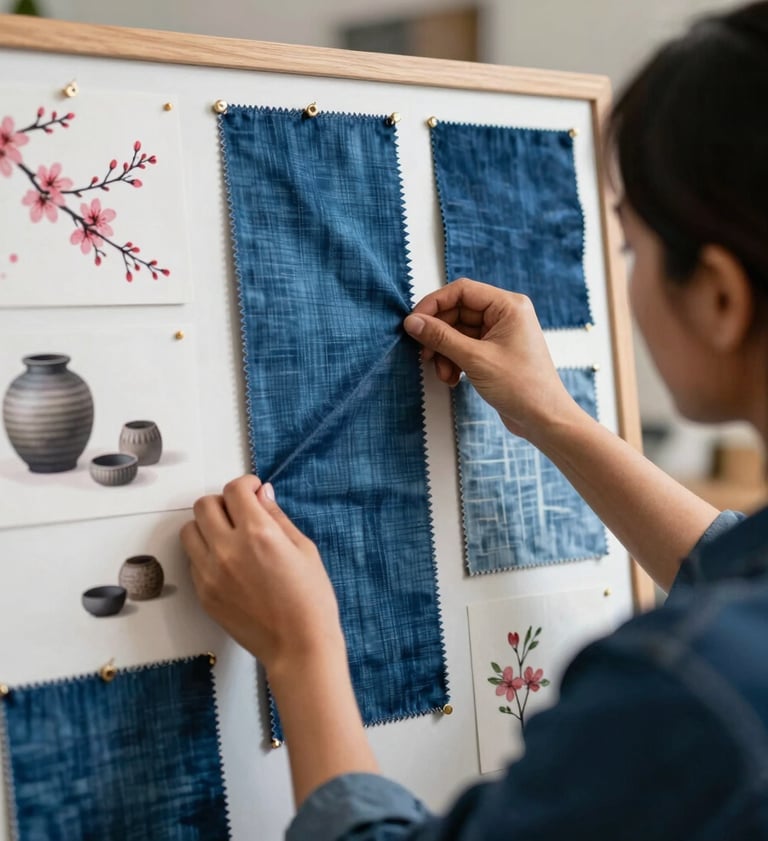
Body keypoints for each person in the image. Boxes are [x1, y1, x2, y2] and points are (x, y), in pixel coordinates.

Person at [180, 2, 768, 838]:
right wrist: (557, 418)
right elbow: (740, 567)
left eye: (630, 247)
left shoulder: (682, 690)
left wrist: (301, 654)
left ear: (718, 295)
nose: (622, 275)